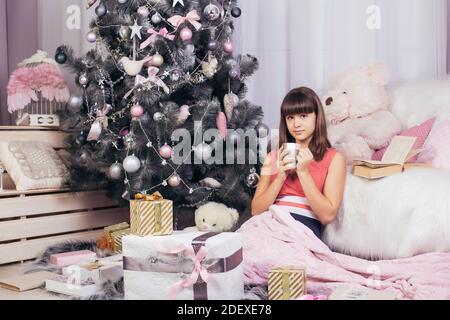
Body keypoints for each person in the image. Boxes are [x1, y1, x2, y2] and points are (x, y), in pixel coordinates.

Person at [251, 87, 347, 240]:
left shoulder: (334, 158)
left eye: (303, 116)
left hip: (303, 229)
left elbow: (327, 216)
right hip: (269, 224)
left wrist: (304, 173)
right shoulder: (273, 157)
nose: (296, 124)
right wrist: (280, 177)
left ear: (317, 116)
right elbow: (256, 210)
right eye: (290, 117)